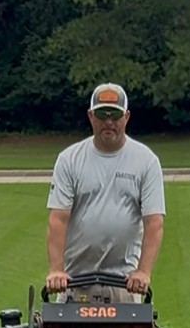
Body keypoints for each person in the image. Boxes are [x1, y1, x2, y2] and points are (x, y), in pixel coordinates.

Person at [45, 83, 165, 297]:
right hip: (75, 279)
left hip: (124, 281)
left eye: (115, 115)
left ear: (126, 117)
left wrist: (143, 272)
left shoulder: (146, 162)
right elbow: (58, 219)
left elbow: (154, 222)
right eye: (102, 114)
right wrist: (56, 270)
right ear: (91, 116)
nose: (109, 122)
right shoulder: (69, 160)